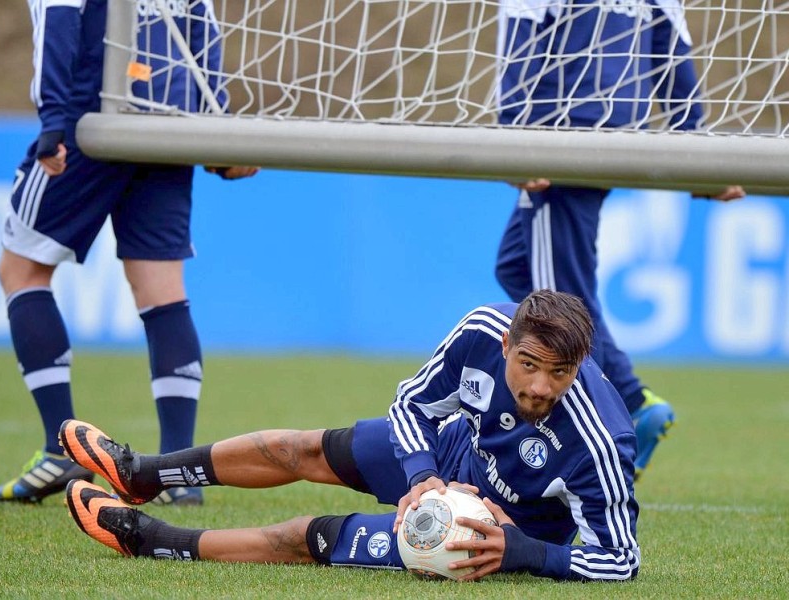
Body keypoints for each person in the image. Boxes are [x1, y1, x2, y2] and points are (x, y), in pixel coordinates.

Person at [60, 290, 640, 582]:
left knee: (311, 535)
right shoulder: (483, 330)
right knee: (306, 449)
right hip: (456, 455)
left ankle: (154, 538)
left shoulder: (601, 444)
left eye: (559, 374)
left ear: (583, 361)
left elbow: (622, 560)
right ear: (507, 345)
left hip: (487, 533)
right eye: (529, 365)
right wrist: (422, 476)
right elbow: (412, 403)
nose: (540, 387)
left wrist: (527, 552)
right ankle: (143, 474)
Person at [0, 0, 257, 505]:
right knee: (161, 292)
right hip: (168, 127)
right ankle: (178, 475)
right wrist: (217, 127)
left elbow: (60, 18)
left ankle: (60, 448)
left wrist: (53, 120)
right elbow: (201, 28)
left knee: (21, 269)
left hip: (94, 118)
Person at [493, 0, 745, 479]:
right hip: (614, 132)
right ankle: (633, 397)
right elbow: (671, 54)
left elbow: (521, 35)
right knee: (516, 267)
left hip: (557, 134)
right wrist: (697, 145)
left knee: (555, 309)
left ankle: (604, 438)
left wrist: (514, 134)